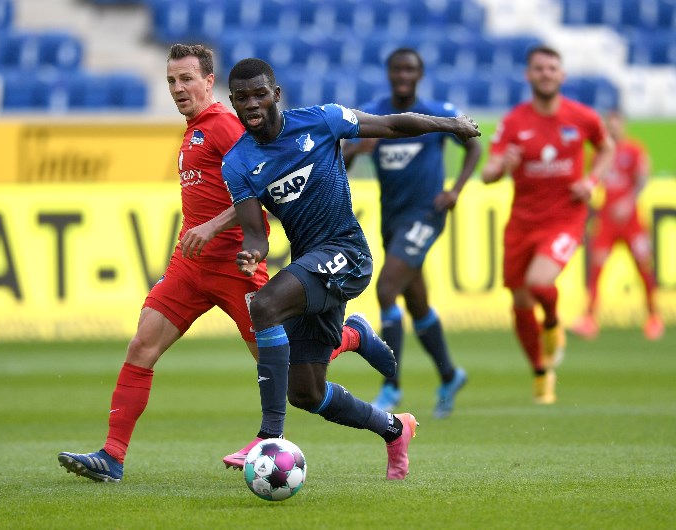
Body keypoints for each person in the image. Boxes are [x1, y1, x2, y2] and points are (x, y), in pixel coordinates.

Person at [57, 44, 396, 482]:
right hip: (190, 265)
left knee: (293, 372)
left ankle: (349, 338)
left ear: (208, 82)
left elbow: (263, 180)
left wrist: (214, 227)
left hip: (236, 266)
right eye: (171, 81)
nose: (179, 89)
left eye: (186, 80)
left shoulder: (223, 125)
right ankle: (112, 456)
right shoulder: (193, 129)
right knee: (142, 345)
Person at [222, 58, 480, 479]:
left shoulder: (323, 119)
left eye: (259, 93)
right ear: (232, 101)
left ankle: (269, 436)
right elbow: (255, 232)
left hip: (347, 252)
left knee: (265, 305)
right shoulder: (236, 163)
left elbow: (393, 125)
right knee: (306, 392)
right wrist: (251, 253)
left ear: (276, 94)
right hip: (309, 264)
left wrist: (449, 124)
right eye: (242, 97)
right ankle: (394, 428)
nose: (252, 103)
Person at [341, 48, 481, 417]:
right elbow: (342, 162)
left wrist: (455, 190)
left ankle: (391, 385)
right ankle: (450, 376)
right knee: (416, 303)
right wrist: (358, 147)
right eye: (397, 69)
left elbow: (474, 147)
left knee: (387, 288)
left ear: (419, 75)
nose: (403, 75)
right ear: (388, 73)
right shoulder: (373, 112)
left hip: (426, 214)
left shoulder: (437, 109)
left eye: (410, 70)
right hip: (394, 218)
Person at [482, 45, 614, 404]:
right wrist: (502, 166)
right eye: (538, 68)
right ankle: (541, 374)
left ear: (562, 75)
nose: (545, 74)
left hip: (565, 217)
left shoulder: (582, 117)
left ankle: (554, 323)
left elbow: (606, 148)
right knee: (520, 302)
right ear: (529, 75)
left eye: (551, 68)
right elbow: (488, 173)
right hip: (522, 222)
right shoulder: (514, 121)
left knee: (540, 283)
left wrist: (591, 182)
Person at [570, 110, 664, 341]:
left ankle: (653, 317)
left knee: (644, 267)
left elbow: (643, 178)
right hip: (606, 221)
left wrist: (629, 201)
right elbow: (595, 181)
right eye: (608, 126)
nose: (612, 130)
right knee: (596, 269)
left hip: (631, 220)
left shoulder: (634, 149)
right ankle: (590, 319)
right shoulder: (599, 153)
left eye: (616, 125)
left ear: (623, 125)